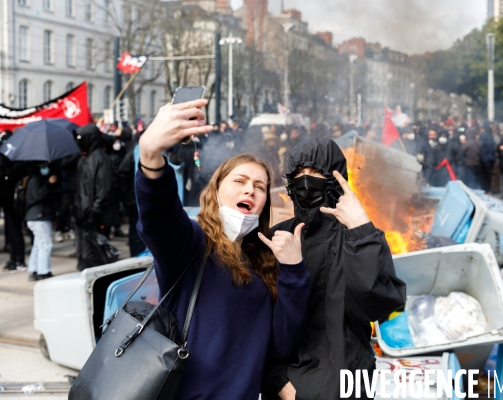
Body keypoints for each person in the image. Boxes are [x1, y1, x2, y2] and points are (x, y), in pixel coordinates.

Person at [136, 99, 310, 399]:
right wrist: (151, 157)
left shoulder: (265, 262)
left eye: (259, 186)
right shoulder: (192, 243)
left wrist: (293, 270)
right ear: (216, 190)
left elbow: (280, 344)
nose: (250, 190)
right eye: (240, 181)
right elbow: (158, 215)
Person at [262, 137, 406, 400]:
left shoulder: (361, 235)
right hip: (288, 388)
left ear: (336, 177)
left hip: (350, 385)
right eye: (298, 174)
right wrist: (279, 383)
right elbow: (254, 323)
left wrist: (361, 231)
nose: (306, 181)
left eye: (316, 172)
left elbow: (377, 306)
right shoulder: (277, 238)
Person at [73, 124, 115, 270]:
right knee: (83, 255)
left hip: (95, 218)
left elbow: (104, 189)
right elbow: (80, 188)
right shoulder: (83, 159)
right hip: (83, 217)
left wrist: (93, 215)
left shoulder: (101, 159)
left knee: (94, 257)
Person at [24, 162, 58, 281]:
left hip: (36, 217)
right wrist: (49, 183)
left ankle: (34, 270)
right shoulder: (36, 180)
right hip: (40, 216)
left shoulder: (32, 179)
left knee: (38, 245)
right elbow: (39, 195)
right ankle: (43, 271)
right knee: (45, 245)